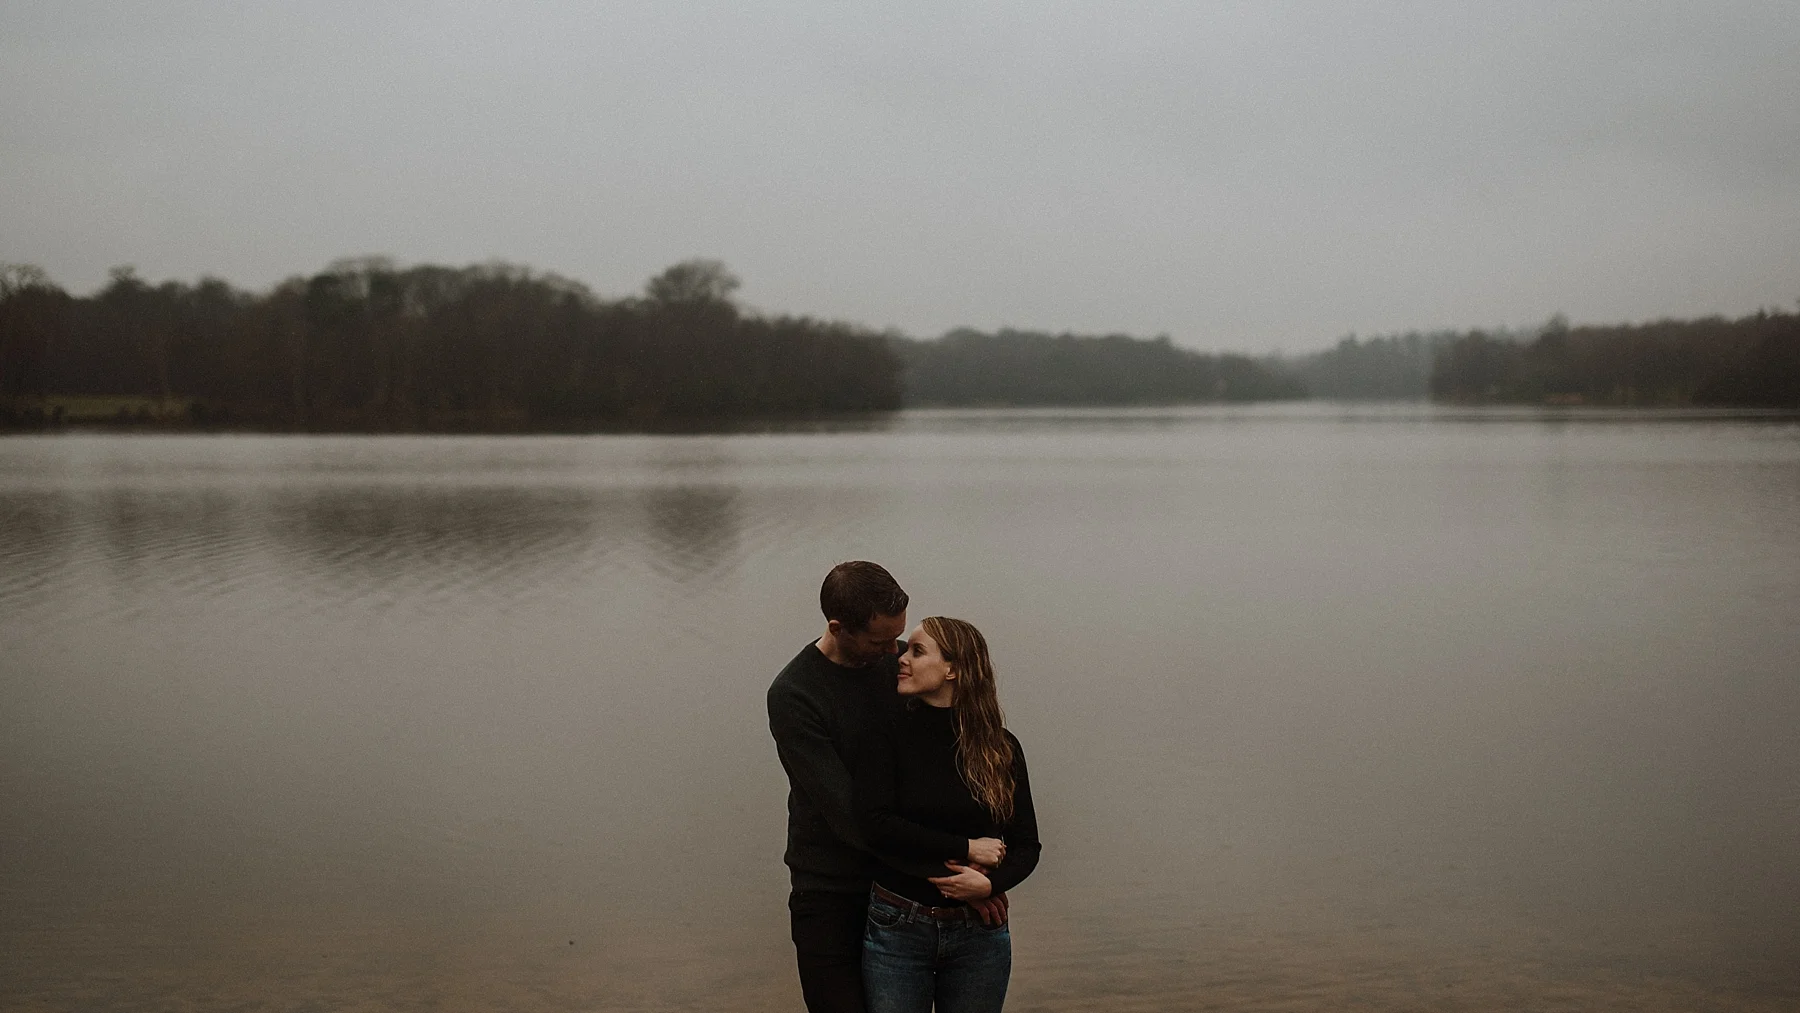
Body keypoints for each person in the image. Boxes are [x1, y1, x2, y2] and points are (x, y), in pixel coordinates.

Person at [770, 563, 1006, 1013]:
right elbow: (852, 819)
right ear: (838, 628)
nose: (892, 653)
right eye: (879, 641)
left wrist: (983, 880)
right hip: (831, 889)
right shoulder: (795, 695)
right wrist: (959, 867)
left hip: (904, 889)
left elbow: (955, 772)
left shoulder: (906, 667)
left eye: (898, 639)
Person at [854, 617, 1041, 1013]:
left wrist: (988, 886)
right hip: (897, 927)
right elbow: (877, 824)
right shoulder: (885, 733)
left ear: (953, 669)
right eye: (907, 649)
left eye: (918, 651)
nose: (902, 658)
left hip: (980, 935)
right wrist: (966, 848)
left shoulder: (1000, 747)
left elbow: (1026, 845)